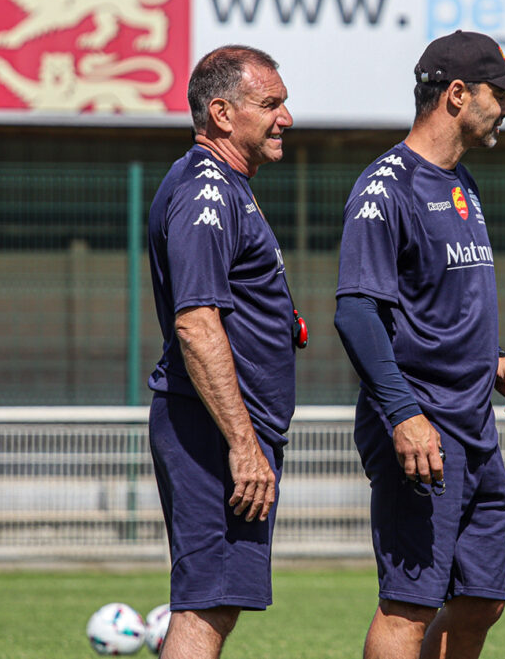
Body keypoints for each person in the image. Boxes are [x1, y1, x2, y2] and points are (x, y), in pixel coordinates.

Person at [334, 30, 505, 659]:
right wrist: (404, 415)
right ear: (457, 94)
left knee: (483, 598)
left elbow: (439, 301)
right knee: (410, 604)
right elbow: (357, 312)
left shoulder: (462, 184)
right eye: (498, 95)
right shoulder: (387, 187)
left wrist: (496, 361)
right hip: (421, 425)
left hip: (473, 423)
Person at [147, 45, 299, 659]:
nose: (285, 118)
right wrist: (242, 443)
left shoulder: (227, 187)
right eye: (271, 104)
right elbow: (196, 324)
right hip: (211, 431)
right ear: (222, 112)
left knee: (219, 600)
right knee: (206, 602)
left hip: (227, 429)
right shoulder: (206, 192)